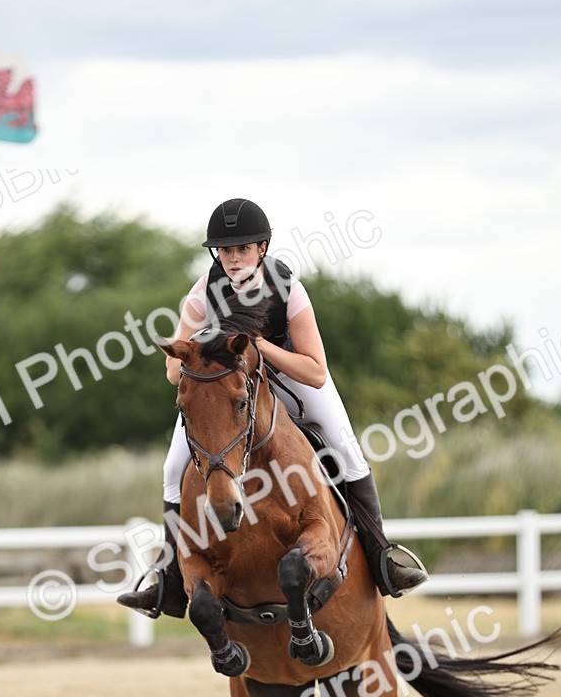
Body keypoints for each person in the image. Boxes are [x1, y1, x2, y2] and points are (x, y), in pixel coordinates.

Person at [118, 198, 427, 618]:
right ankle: (170, 579)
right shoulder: (201, 295)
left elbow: (316, 371)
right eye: (225, 250)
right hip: (229, 388)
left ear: (262, 247)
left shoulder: (289, 290)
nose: (233, 258)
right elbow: (174, 373)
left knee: (346, 448)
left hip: (292, 378)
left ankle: (382, 557)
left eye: (242, 248)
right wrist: (197, 350)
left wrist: (260, 348)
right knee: (173, 470)